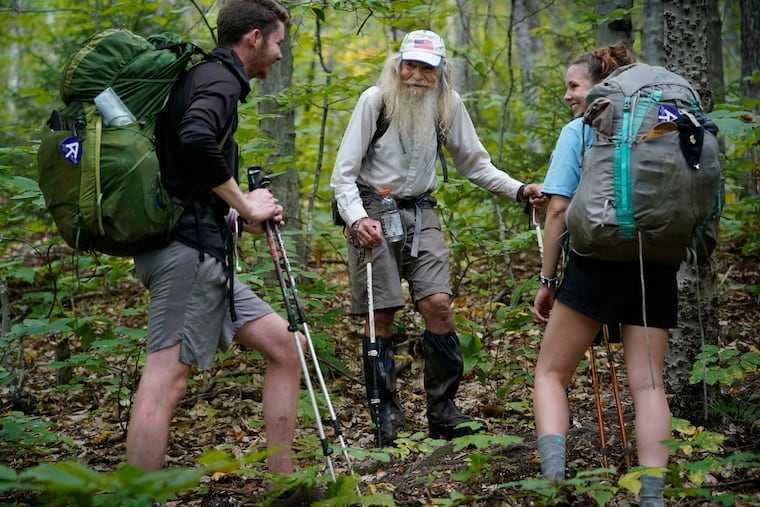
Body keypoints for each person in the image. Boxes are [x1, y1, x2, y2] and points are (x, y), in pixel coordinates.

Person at [126, 1, 306, 503]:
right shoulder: (220, 81)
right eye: (276, 43)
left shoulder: (207, 79)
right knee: (165, 381)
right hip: (187, 254)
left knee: (284, 348)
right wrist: (244, 200)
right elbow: (196, 137)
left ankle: (282, 484)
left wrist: (240, 215)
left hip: (202, 251)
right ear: (254, 38)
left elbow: (189, 171)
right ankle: (135, 498)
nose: (277, 54)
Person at [331, 29, 544, 446]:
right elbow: (343, 176)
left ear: (440, 71)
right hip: (372, 209)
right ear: (398, 65)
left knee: (439, 305)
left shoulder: (448, 105)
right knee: (383, 313)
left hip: (421, 210)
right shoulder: (374, 101)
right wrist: (357, 219)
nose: (415, 75)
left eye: (426, 68)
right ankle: (385, 414)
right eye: (408, 65)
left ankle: (443, 412)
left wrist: (520, 189)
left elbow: (476, 164)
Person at [532, 44, 671, 506]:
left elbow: (557, 210)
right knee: (649, 384)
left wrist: (548, 281)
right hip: (654, 261)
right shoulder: (663, 124)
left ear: (601, 87)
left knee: (551, 374)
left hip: (594, 263)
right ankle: (653, 498)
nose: (569, 96)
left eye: (575, 86)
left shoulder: (580, 131)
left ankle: (554, 485)